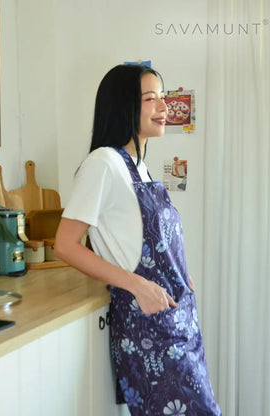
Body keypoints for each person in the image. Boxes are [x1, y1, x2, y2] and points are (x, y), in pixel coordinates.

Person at [54, 64, 221, 415]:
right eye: (150, 99)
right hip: (147, 326)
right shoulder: (103, 163)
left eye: (163, 97)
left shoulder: (139, 167)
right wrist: (138, 285)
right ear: (124, 105)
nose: (163, 107)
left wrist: (180, 273)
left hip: (176, 319)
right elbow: (65, 245)